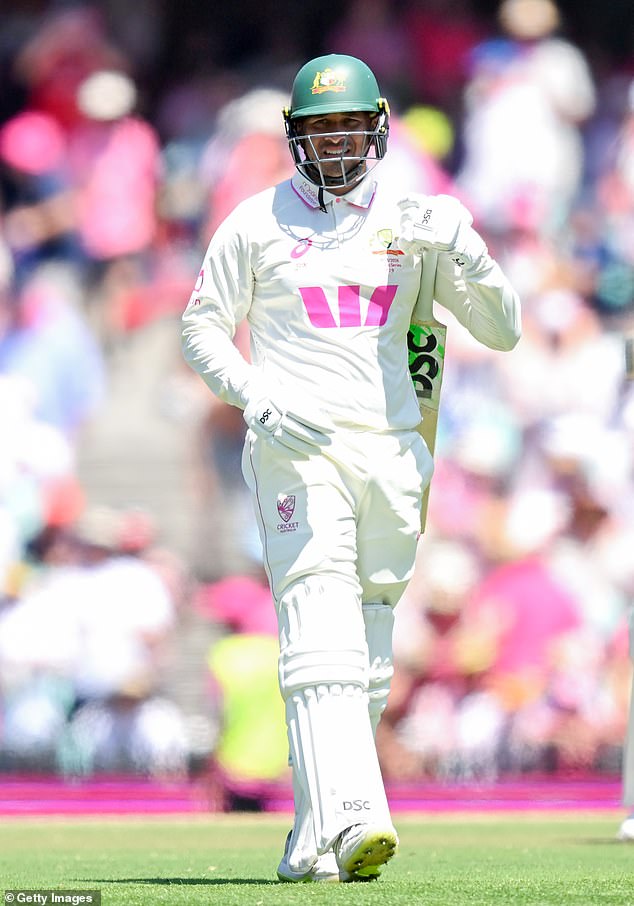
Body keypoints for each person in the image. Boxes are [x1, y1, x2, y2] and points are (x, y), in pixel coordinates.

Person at [181, 53, 521, 883]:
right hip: (297, 445)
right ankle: (360, 813)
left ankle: (312, 832)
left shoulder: (417, 220)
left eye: (347, 127)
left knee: (368, 647)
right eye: (319, 129)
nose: (335, 145)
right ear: (295, 138)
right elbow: (201, 329)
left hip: (395, 448)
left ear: (376, 131)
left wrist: (468, 252)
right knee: (317, 615)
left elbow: (502, 330)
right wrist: (255, 399)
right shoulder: (255, 222)